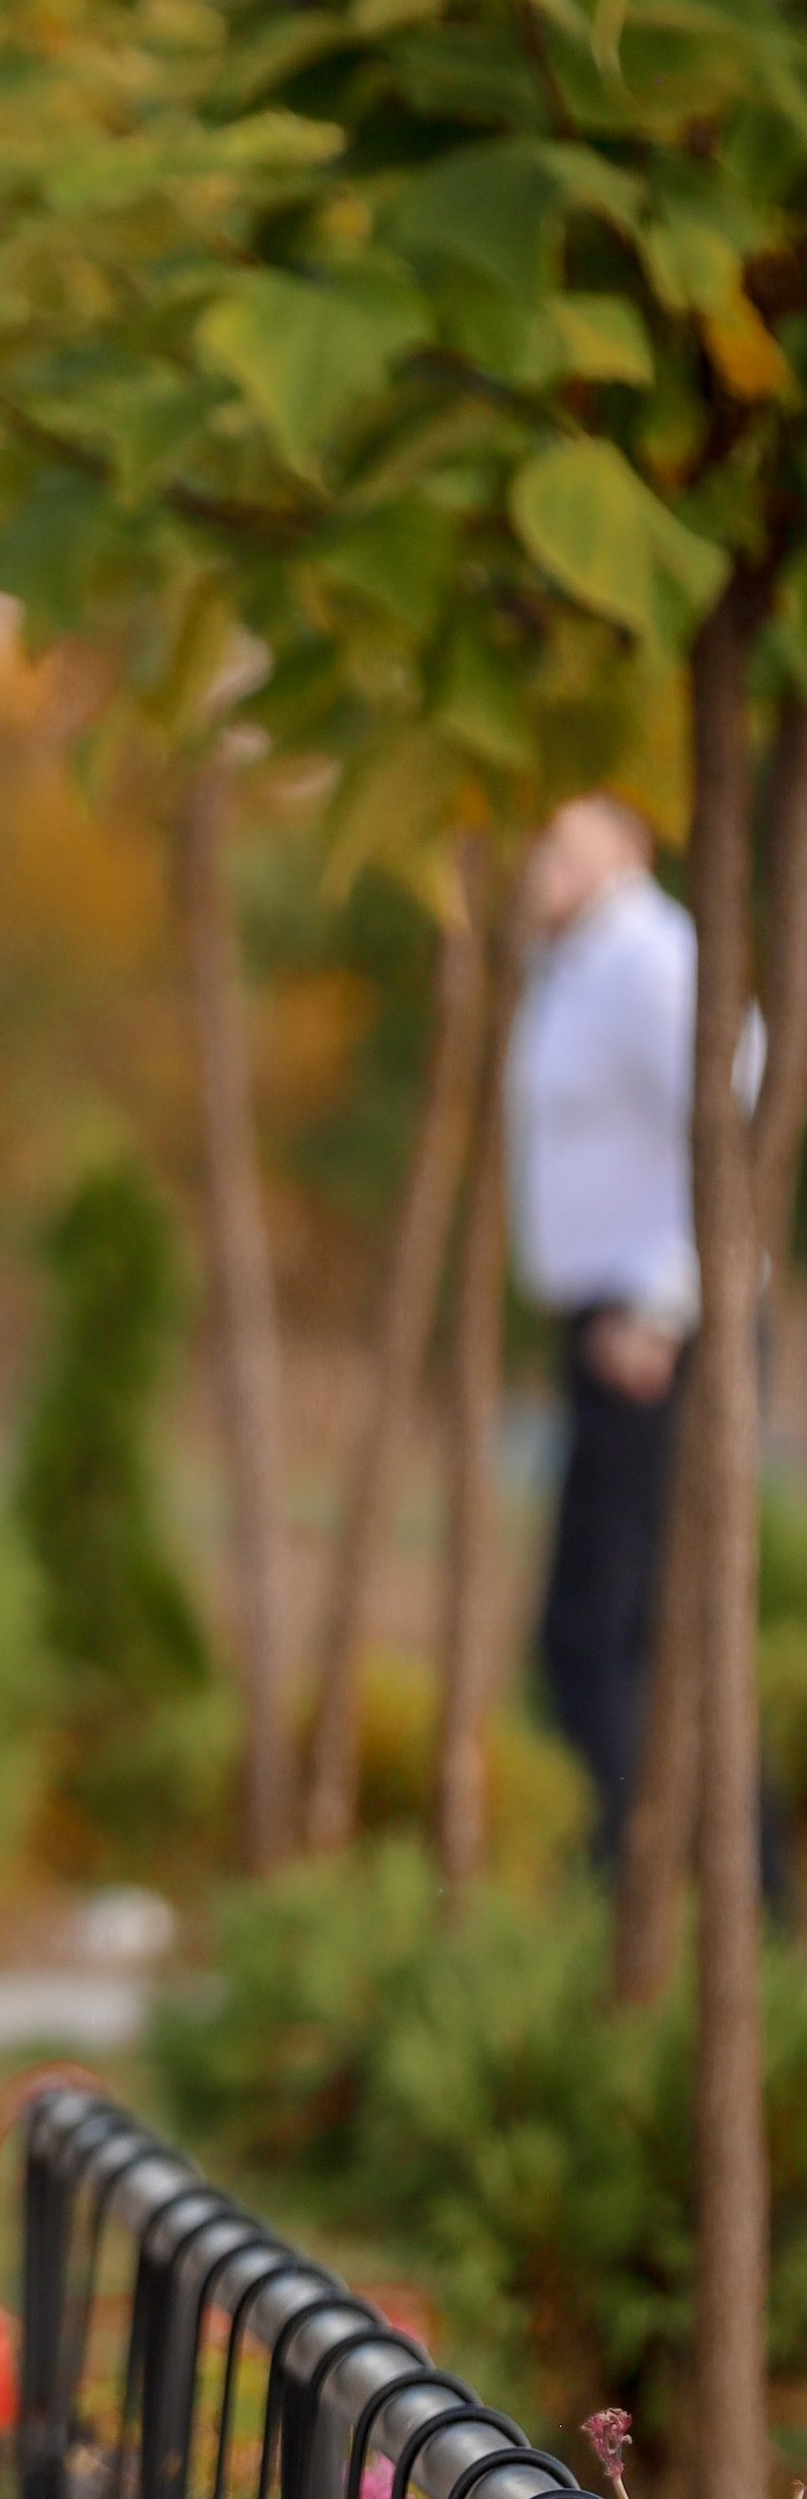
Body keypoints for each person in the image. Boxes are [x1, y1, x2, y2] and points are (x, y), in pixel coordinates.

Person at [509, 795, 713, 1861]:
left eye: (571, 839)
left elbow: (732, 1103)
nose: (547, 856)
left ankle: (643, 1883)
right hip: (601, 1323)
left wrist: (662, 1302)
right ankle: (683, 1888)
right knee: (623, 1627)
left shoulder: (646, 954)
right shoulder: (577, 960)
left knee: (603, 1630)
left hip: (648, 1332)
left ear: (630, 847)